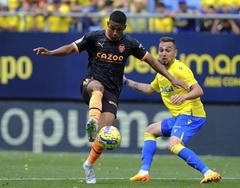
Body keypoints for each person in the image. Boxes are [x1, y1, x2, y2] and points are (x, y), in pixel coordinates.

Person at [33, 10, 188, 184]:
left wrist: (172, 79)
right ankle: (91, 121)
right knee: (97, 87)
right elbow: (70, 48)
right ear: (107, 24)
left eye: (119, 30)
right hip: (90, 85)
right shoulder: (94, 37)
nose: (115, 33)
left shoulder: (129, 43)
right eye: (113, 28)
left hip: (112, 92)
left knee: (103, 136)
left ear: (125, 28)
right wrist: (51, 52)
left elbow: (151, 61)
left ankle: (88, 165)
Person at [125, 36, 221, 184]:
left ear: (175, 53)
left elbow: (199, 90)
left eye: (168, 50)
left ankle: (209, 172)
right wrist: (126, 81)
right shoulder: (161, 74)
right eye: (161, 50)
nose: (164, 53)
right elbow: (149, 89)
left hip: (192, 114)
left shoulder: (181, 70)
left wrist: (184, 97)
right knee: (150, 131)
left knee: (174, 144)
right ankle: (143, 172)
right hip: (179, 116)